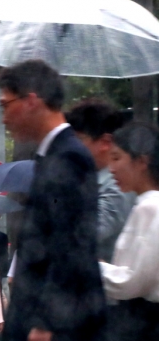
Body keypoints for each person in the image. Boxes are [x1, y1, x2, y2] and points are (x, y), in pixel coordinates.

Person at [0, 60, 107, 341]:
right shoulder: (54, 156)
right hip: (45, 329)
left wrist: (47, 321)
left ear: (31, 100)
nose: (4, 116)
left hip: (56, 332)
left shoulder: (69, 157)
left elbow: (70, 244)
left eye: (5, 104)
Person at [98, 122, 159, 341]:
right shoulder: (143, 206)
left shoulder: (151, 208)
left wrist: (94, 267)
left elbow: (134, 280)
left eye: (118, 158)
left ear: (142, 161)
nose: (112, 168)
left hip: (142, 328)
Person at [67, 99, 134, 262]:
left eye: (79, 140)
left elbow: (83, 235)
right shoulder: (90, 180)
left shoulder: (118, 184)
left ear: (105, 142)